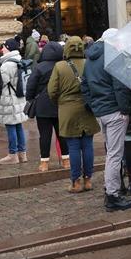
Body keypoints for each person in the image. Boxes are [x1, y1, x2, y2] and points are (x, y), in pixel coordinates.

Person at [81, 28, 131, 211]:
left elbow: (85, 86)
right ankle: (112, 194)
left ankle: (113, 190)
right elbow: (120, 87)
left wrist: (94, 106)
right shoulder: (113, 57)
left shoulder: (90, 59)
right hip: (114, 111)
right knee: (114, 154)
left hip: (102, 111)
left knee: (112, 152)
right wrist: (125, 109)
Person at [48, 36, 99, 193]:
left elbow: (52, 91)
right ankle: (88, 180)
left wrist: (60, 102)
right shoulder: (89, 64)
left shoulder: (60, 66)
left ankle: (76, 182)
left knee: (74, 147)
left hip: (68, 109)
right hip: (87, 108)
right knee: (88, 145)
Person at [26, 40, 65, 172]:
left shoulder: (39, 67)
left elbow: (31, 85)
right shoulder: (63, 65)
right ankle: (66, 160)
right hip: (60, 104)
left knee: (44, 135)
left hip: (42, 105)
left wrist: (30, 98)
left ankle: (44, 163)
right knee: (62, 134)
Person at [0, 38, 29, 164]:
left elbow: (2, 83)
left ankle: (13, 154)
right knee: (19, 125)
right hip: (20, 97)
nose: (2, 49)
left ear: (9, 48)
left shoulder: (6, 65)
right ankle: (23, 154)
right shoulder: (20, 60)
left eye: (4, 47)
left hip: (9, 99)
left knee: (10, 126)